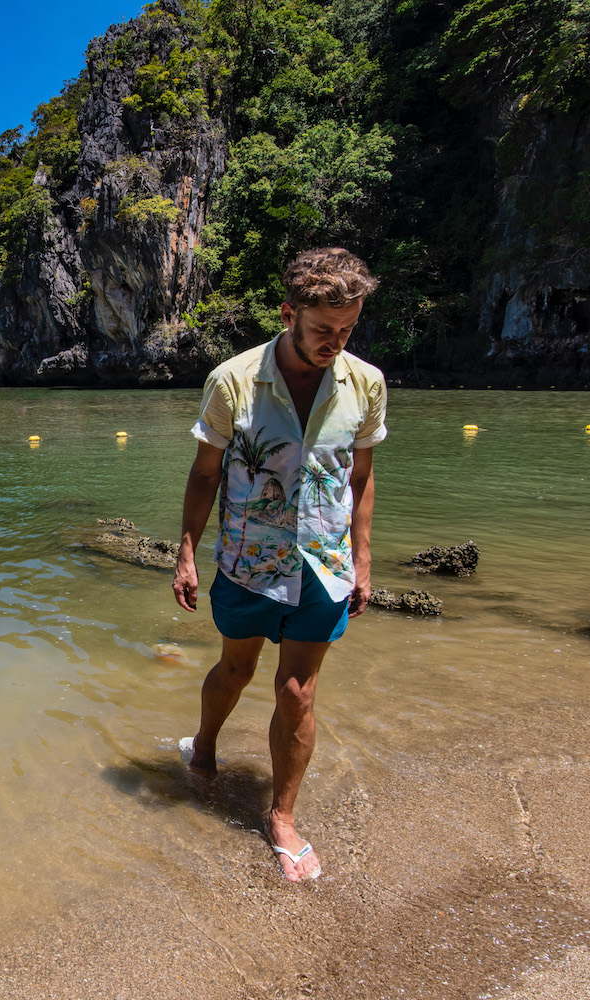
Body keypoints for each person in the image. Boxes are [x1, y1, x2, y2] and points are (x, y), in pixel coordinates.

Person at [172, 247, 387, 882]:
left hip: (324, 563)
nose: (335, 343)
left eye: (347, 330)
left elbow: (363, 476)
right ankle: (205, 748)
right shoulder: (233, 381)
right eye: (323, 330)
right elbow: (205, 472)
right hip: (246, 560)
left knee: (299, 692)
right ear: (289, 313)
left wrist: (364, 561)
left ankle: (282, 817)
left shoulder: (366, 383)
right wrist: (185, 553)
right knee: (235, 670)